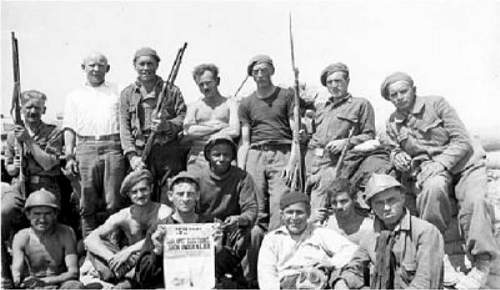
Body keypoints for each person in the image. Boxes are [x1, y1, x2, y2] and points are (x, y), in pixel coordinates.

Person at [381, 72, 498, 289]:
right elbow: (393, 147)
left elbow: (462, 140)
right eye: (393, 95)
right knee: (431, 191)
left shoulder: (437, 104)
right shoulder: (392, 123)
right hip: (432, 170)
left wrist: (442, 162)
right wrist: (397, 156)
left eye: (403, 91)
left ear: (413, 90)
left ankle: (481, 263)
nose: (399, 97)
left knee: (476, 201)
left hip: (465, 164)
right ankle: (439, 253)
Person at [237, 55, 299, 285]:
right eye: (256, 71)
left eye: (264, 70)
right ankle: (251, 276)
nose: (260, 74)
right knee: (256, 212)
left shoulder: (286, 95)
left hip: (282, 152)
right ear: (251, 75)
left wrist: (294, 159)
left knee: (278, 209)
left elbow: (295, 131)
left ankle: (278, 272)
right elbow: (245, 138)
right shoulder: (246, 102)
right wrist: (242, 168)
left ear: (272, 70)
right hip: (255, 153)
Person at [135, 170, 253, 288]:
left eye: (190, 194)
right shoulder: (159, 229)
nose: (185, 199)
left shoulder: (210, 226)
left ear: (197, 196)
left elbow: (232, 269)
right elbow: (143, 277)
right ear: (170, 196)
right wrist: (157, 252)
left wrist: (219, 250)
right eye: (180, 194)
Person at [332, 173, 444, 289]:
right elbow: (355, 269)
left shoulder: (425, 232)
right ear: (372, 207)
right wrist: (342, 282)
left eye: (391, 200)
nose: (386, 208)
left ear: (402, 198)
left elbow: (425, 283)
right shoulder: (371, 237)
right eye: (379, 203)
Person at [2, 90, 64, 286]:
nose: (32, 111)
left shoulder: (53, 132)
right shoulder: (12, 136)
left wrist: (28, 141)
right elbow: (10, 169)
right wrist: (14, 164)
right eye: (28, 107)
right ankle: (4, 271)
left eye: (37, 108)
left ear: (44, 109)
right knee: (3, 213)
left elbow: (49, 164)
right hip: (20, 187)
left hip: (44, 187)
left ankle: (49, 274)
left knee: (44, 218)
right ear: (21, 110)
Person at [63, 52, 127, 237]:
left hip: (113, 145)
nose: (96, 69)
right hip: (86, 146)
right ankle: (90, 247)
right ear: (83, 68)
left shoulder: (118, 90)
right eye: (92, 65)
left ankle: (114, 244)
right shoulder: (74, 95)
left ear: (107, 69)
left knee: (114, 200)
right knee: (86, 201)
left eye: (101, 65)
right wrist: (69, 156)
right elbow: (69, 127)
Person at [83, 169, 172, 288]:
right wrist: (111, 258)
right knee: (95, 247)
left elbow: (166, 235)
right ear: (129, 195)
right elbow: (89, 239)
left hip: (152, 262)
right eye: (134, 192)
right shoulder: (124, 215)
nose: (140, 195)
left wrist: (129, 250)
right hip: (127, 264)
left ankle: (122, 278)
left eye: (143, 189)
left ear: (151, 188)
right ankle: (117, 274)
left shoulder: (164, 211)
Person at [120, 47, 187, 202]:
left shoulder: (171, 90)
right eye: (141, 64)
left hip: (168, 152)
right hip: (140, 153)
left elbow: (183, 117)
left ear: (157, 65)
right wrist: (131, 156)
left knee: (169, 195)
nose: (146, 68)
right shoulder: (127, 93)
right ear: (134, 65)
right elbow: (124, 128)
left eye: (150, 64)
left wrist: (167, 125)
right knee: (142, 196)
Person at [307, 63, 377, 210]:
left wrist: (346, 142)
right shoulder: (321, 109)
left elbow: (369, 135)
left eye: (338, 81)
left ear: (347, 81)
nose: (334, 85)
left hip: (337, 164)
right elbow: (314, 136)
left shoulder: (360, 104)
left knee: (320, 206)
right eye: (329, 82)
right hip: (312, 163)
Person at [257, 191, 358, 289]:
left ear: (308, 214)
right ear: (282, 215)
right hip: (289, 282)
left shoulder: (319, 232)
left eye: (299, 212)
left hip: (318, 279)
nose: (294, 217)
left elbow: (351, 249)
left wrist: (331, 263)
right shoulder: (272, 239)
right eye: (289, 212)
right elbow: (267, 274)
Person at [11, 189, 83, 289]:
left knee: (75, 286)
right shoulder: (22, 237)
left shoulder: (66, 233)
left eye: (47, 214)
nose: (42, 219)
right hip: (33, 285)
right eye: (37, 214)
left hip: (60, 283)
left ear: (55, 215)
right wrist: (17, 279)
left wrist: (45, 282)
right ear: (28, 215)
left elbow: (73, 272)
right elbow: (16, 268)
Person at [183, 64, 240, 171]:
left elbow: (234, 130)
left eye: (208, 83)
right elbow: (189, 131)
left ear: (217, 81)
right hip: (198, 156)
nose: (205, 87)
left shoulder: (231, 104)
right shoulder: (194, 106)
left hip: (224, 156)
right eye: (201, 84)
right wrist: (217, 128)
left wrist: (202, 130)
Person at [309, 178, 373, 245]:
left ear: (354, 199)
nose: (339, 206)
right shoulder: (325, 224)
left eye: (343, 201)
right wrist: (309, 221)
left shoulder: (368, 228)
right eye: (334, 202)